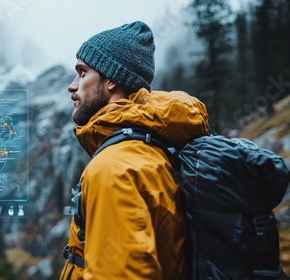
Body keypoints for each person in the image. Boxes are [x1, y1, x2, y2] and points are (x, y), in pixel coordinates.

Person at [59, 21, 210, 279]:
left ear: (112, 80)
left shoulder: (114, 169)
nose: (72, 86)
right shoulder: (152, 151)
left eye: (83, 73)